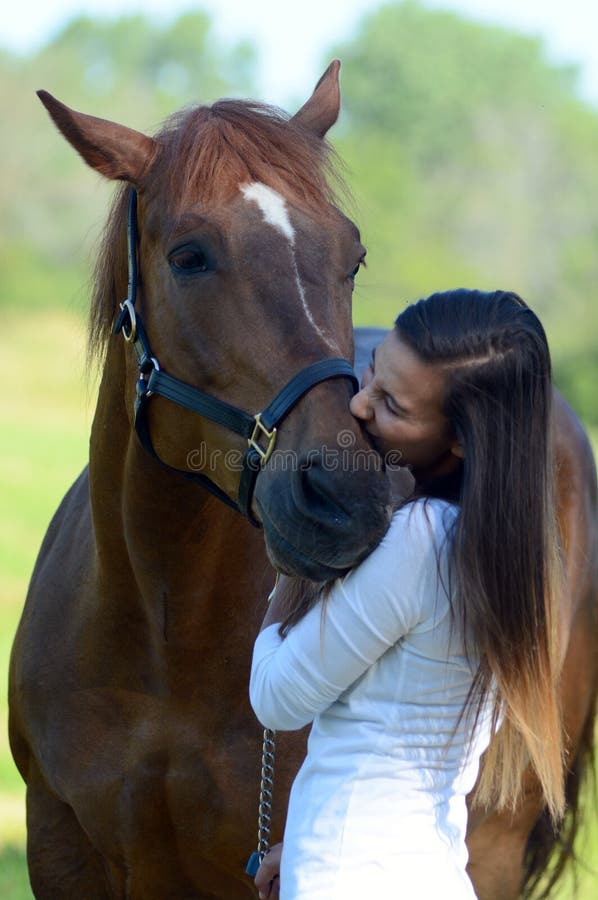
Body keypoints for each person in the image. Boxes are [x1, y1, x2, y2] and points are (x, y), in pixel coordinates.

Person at [249, 289, 564, 899]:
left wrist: (298, 556)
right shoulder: (507, 551)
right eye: (370, 376)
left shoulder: (420, 541)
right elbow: (402, 744)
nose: (360, 407)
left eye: (393, 404)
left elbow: (275, 699)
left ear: (463, 440)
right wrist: (312, 838)